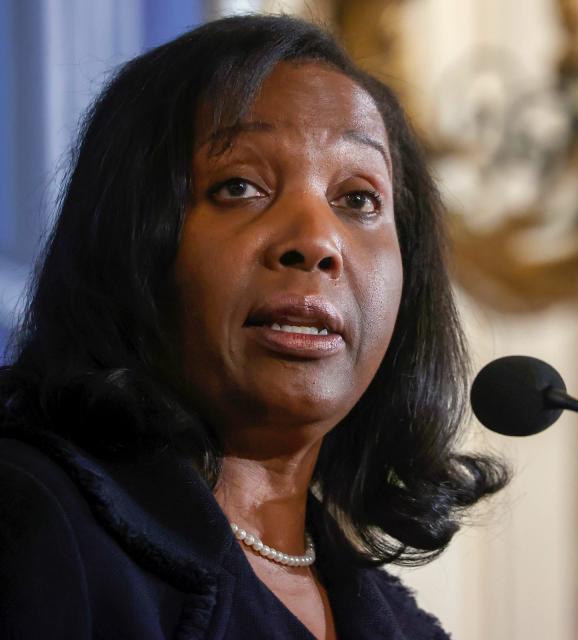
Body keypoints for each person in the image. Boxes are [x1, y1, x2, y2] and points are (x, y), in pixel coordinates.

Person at [0, 14, 507, 639]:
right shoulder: (27, 517)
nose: (317, 241)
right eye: (240, 186)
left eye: (358, 199)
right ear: (131, 238)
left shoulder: (404, 629)